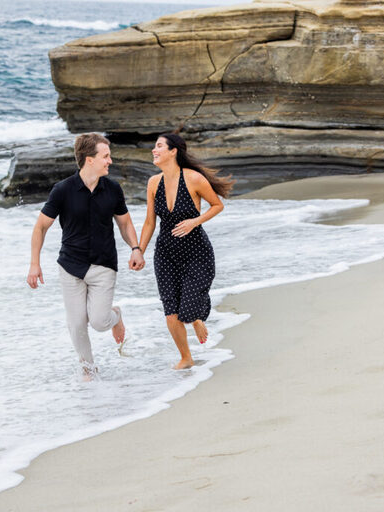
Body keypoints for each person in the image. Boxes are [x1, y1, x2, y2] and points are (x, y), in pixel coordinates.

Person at [27, 133, 145, 377]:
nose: (110, 161)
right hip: (70, 266)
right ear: (89, 160)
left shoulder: (112, 189)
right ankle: (88, 369)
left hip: (103, 265)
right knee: (77, 324)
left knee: (100, 322)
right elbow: (40, 227)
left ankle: (117, 315)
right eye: (105, 156)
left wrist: (135, 248)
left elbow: (124, 224)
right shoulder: (63, 190)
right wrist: (34, 264)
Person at [137, 133, 234, 369]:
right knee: (171, 311)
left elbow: (217, 205)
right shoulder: (153, 183)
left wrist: (194, 221)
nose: (154, 150)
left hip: (196, 253)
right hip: (166, 254)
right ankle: (186, 357)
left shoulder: (194, 179)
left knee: (187, 311)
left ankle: (196, 317)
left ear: (173, 151)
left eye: (159, 146)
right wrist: (138, 251)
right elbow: (150, 222)